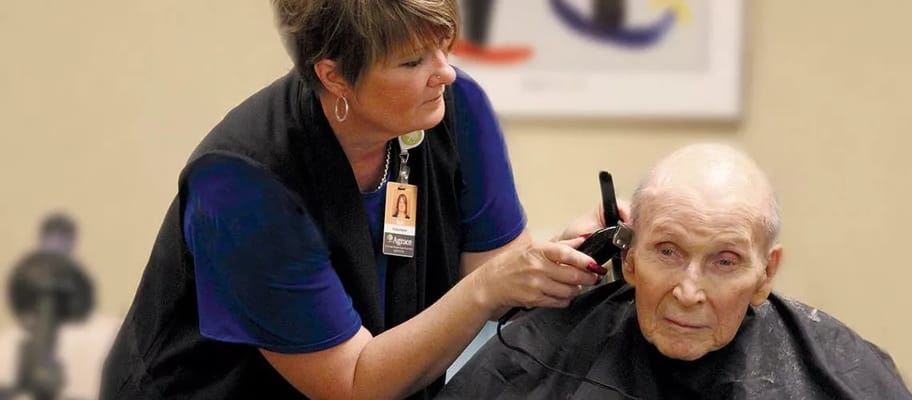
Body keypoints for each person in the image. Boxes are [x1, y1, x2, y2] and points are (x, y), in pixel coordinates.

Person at [100, 1, 606, 399]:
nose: (445, 72)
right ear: (334, 76)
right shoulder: (240, 186)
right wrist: (492, 287)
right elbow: (354, 384)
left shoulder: (455, 107)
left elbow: (493, 274)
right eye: (413, 61)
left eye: (444, 46)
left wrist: (562, 260)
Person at [439, 143, 912, 399]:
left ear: (766, 274)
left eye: (725, 262)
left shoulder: (843, 372)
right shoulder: (539, 356)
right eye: (667, 251)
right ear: (628, 255)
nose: (689, 291)